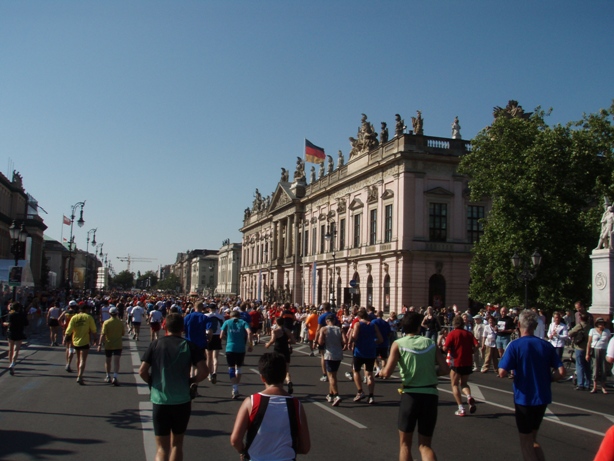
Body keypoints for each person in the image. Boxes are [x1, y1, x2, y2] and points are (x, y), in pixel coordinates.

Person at [380, 311, 450, 461]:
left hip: (410, 395)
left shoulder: (398, 344)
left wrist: (381, 370)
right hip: (430, 394)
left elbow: (387, 373)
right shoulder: (430, 343)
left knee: (405, 444)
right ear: (419, 327)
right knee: (425, 445)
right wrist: (428, 372)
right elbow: (445, 369)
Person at [139, 313, 209, 461]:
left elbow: (142, 371)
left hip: (160, 400)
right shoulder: (189, 346)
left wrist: (152, 382)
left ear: (164, 326)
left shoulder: (156, 344)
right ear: (182, 328)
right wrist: (192, 380)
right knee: (177, 444)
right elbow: (204, 371)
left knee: (162, 448)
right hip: (182, 400)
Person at [498, 309, 565, 461]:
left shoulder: (515, 345)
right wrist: (549, 378)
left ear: (519, 324)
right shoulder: (546, 345)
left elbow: (502, 372)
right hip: (542, 397)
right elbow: (561, 371)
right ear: (535, 326)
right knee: (533, 439)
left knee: (525, 442)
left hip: (524, 398)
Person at [230, 352, 310, 461]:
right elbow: (305, 447)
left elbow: (235, 440)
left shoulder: (252, 402)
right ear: (284, 375)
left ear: (262, 378)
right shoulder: (296, 405)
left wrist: (243, 451)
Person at [443, 315, 478, 416]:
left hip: (456, 362)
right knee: (464, 383)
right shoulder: (468, 334)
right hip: (467, 362)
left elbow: (445, 348)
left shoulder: (452, 334)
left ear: (454, 324)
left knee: (454, 384)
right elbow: (477, 345)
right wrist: (472, 351)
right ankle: (468, 396)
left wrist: (446, 351)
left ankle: (461, 408)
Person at [351, 307, 383, 404]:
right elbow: (381, 339)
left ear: (359, 317)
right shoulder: (373, 325)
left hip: (359, 352)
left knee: (356, 371)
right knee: (369, 374)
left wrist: (350, 338)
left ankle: (360, 391)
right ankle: (371, 396)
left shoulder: (358, 324)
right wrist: (373, 342)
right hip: (371, 352)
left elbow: (354, 337)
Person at [221, 310, 253, 399]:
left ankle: (235, 388)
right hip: (241, 348)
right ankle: (236, 387)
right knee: (238, 367)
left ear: (231, 316)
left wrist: (227, 339)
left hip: (230, 347)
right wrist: (250, 344)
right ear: (239, 316)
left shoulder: (227, 322)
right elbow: (249, 332)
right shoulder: (243, 322)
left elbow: (221, 335)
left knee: (231, 367)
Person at [65, 303, 97, 385]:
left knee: (78, 358)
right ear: (86, 309)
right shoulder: (88, 317)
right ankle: (80, 376)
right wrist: (95, 338)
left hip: (75, 340)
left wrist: (66, 337)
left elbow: (69, 329)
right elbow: (93, 329)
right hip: (85, 340)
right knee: (83, 359)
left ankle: (78, 373)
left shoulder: (74, 317)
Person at [318, 314, 346, 406]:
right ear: (334, 321)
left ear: (326, 321)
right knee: (334, 375)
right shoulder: (339, 329)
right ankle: (330, 394)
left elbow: (320, 341)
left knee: (331, 376)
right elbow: (344, 341)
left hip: (329, 354)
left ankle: (337, 395)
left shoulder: (324, 329)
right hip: (338, 354)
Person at [265, 317, 296, 394]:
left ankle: (279, 387)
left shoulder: (275, 331)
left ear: (276, 322)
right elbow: (294, 341)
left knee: (277, 369)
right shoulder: (287, 331)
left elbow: (272, 340)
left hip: (278, 351)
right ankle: (289, 382)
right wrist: (287, 341)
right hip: (286, 351)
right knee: (286, 369)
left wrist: (267, 345)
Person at [98, 306, 125, 385]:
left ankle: (108, 376)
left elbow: (102, 334)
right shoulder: (120, 322)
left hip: (108, 343)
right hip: (118, 344)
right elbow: (122, 333)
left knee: (108, 361)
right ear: (117, 313)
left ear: (109, 314)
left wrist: (99, 344)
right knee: (116, 361)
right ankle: (115, 377)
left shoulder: (106, 322)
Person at [586, 317, 612, 394]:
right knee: (595, 368)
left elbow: (610, 342)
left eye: (602, 323)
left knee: (604, 368)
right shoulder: (592, 331)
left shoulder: (607, 331)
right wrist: (587, 353)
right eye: (600, 323)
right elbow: (589, 342)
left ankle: (603, 386)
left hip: (604, 350)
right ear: (597, 324)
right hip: (595, 349)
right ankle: (595, 386)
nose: (601, 325)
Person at [3, 302, 28, 375]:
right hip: (19, 332)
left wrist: (4, 323)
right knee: (16, 349)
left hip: (11, 332)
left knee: (10, 349)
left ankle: (10, 364)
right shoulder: (22, 315)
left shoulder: (11, 315)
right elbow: (26, 323)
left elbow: (9, 323)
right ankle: (13, 363)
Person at [568, 312, 591, 390]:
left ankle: (580, 384)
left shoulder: (579, 325)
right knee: (587, 366)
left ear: (581, 318)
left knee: (580, 366)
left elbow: (570, 333)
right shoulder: (590, 326)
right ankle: (588, 384)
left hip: (579, 347)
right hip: (588, 348)